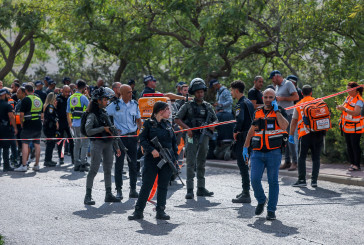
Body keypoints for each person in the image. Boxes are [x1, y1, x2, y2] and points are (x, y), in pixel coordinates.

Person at [243, 88, 289, 220]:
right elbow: (251, 131)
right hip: (257, 152)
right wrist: (245, 147)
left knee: (273, 181)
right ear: (262, 98)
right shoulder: (257, 112)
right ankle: (262, 200)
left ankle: (271, 210)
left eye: (271, 97)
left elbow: (284, 126)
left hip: (274, 152)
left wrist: (277, 111)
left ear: (275, 98)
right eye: (266, 97)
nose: (268, 100)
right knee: (254, 180)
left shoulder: (280, 111)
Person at [128, 101, 178, 220]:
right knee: (147, 185)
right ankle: (138, 211)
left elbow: (174, 143)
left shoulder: (168, 124)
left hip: (167, 159)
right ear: (161, 111)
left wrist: (174, 159)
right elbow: (142, 139)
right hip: (152, 159)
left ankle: (161, 211)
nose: (169, 112)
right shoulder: (148, 124)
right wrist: (151, 150)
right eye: (167, 109)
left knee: (163, 185)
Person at [175, 78, 218, 199]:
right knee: (190, 163)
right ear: (194, 92)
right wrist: (187, 129)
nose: (200, 94)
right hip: (191, 137)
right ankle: (190, 190)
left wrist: (211, 125)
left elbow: (216, 120)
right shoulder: (187, 105)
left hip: (204, 136)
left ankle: (201, 188)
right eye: (198, 92)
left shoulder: (208, 106)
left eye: (202, 92)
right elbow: (177, 119)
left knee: (201, 162)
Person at [83, 87, 121, 205]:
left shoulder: (104, 112)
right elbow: (88, 131)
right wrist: (102, 129)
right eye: (105, 99)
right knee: (94, 169)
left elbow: (111, 130)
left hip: (108, 143)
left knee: (108, 170)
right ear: (98, 100)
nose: (107, 102)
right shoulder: (92, 115)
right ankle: (88, 196)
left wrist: (117, 146)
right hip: (97, 143)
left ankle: (108, 194)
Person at [106, 85, 142, 200]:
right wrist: (111, 129)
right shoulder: (114, 105)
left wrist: (140, 133)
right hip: (120, 138)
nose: (131, 94)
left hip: (132, 137)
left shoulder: (134, 104)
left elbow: (138, 120)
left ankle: (133, 189)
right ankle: (119, 190)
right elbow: (104, 116)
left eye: (131, 92)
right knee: (119, 164)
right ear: (122, 93)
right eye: (128, 92)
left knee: (133, 164)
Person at [289, 85, 325, 187]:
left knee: (302, 157)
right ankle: (314, 181)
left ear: (301, 93)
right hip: (318, 133)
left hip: (304, 134)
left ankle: (302, 180)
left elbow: (294, 122)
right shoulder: (319, 102)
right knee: (316, 158)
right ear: (311, 92)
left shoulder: (299, 104)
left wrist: (291, 135)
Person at [230, 80, 254, 203]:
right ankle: (245, 190)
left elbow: (240, 119)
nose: (231, 92)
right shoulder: (248, 101)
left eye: (232, 90)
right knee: (244, 164)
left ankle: (246, 193)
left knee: (243, 164)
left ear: (237, 91)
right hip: (249, 136)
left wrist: (235, 131)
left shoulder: (240, 104)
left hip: (243, 137)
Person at [269, 70, 299, 171]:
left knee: (290, 138)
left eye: (272, 78)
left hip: (289, 115)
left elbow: (296, 97)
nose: (272, 80)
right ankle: (287, 161)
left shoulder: (288, 83)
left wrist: (282, 98)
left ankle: (295, 162)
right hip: (280, 116)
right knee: (284, 139)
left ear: (277, 76)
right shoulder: (277, 86)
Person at [15, 85, 43, 172]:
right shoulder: (39, 99)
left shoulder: (26, 99)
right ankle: (37, 165)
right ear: (33, 90)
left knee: (25, 144)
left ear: (26, 91)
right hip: (38, 124)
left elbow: (22, 114)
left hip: (28, 124)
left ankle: (24, 165)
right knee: (37, 144)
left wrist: (22, 124)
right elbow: (42, 115)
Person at [337, 82, 364, 171]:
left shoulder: (359, 100)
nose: (347, 91)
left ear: (355, 89)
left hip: (356, 128)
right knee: (349, 146)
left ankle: (357, 165)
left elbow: (356, 112)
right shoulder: (348, 98)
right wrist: (340, 108)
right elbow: (345, 108)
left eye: (349, 89)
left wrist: (345, 109)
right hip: (347, 127)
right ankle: (352, 163)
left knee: (355, 146)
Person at [67, 79, 89, 172]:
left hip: (74, 124)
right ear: (84, 88)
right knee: (84, 145)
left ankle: (76, 164)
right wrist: (88, 96)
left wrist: (70, 123)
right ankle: (83, 164)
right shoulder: (83, 98)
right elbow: (90, 108)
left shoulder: (70, 98)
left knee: (77, 144)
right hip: (83, 124)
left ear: (76, 86)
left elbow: (68, 112)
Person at [0, 88, 18, 172]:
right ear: (3, 95)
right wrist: (15, 127)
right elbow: (11, 117)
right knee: (6, 148)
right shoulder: (7, 105)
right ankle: (6, 166)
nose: (9, 96)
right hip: (5, 129)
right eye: (7, 94)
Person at [56, 85, 74, 165]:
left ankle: (74, 158)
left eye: (68, 92)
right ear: (61, 90)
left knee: (72, 141)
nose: (67, 93)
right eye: (65, 91)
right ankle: (61, 157)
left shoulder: (71, 98)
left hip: (70, 123)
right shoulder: (58, 99)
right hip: (60, 123)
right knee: (60, 141)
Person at [43, 93, 59, 167]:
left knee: (51, 144)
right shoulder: (50, 106)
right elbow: (50, 117)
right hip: (50, 128)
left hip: (48, 127)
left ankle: (49, 159)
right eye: (55, 98)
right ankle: (47, 160)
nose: (56, 100)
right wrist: (56, 122)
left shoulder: (48, 106)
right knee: (50, 144)